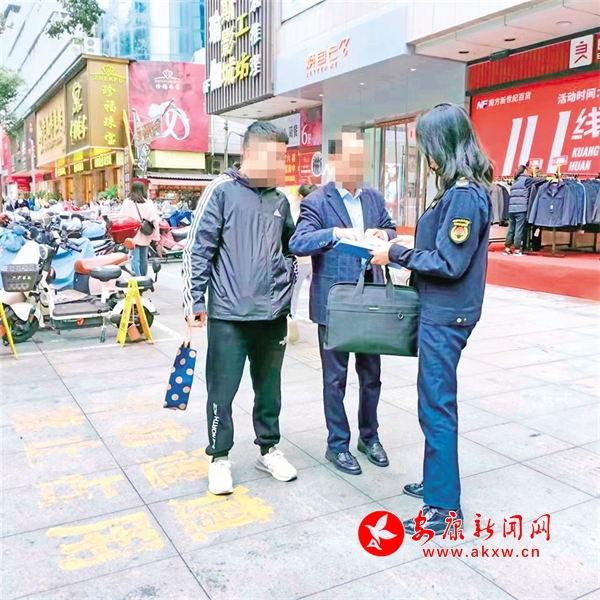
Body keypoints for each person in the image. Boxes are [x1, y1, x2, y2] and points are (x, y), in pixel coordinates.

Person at [370, 103, 493, 535]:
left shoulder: (463, 195)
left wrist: (397, 253)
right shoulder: (458, 191)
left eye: (426, 145)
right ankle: (438, 482)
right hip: (443, 311)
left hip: (447, 315)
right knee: (433, 402)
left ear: (442, 144)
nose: (425, 155)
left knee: (436, 406)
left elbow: (449, 262)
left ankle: (443, 509)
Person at [183, 121, 298, 495]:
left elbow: (290, 248)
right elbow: (198, 249)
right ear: (249, 153)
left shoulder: (280, 200)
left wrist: (287, 289)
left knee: (269, 390)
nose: (279, 165)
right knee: (222, 391)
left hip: (272, 316)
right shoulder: (221, 191)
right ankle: (219, 457)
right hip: (228, 316)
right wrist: (194, 300)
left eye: (282, 157)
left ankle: (269, 450)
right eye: (273, 157)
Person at [289, 129, 397, 476]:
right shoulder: (317, 201)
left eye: (362, 158)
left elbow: (391, 229)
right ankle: (337, 444)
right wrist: (335, 234)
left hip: (370, 299)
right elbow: (299, 242)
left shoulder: (373, 198)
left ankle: (370, 437)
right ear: (334, 161)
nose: (358, 165)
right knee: (335, 379)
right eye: (351, 158)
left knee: (371, 375)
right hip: (334, 304)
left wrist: (383, 235)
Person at [287, 183, 318, 341]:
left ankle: (291, 320)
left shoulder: (298, 214)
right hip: (314, 260)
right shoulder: (317, 212)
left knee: (293, 294)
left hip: (299, 261)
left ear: (300, 197)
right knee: (317, 292)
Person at [120, 182, 160, 276]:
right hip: (145, 234)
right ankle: (144, 278)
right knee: (143, 258)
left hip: (132, 234)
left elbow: (121, 216)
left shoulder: (127, 202)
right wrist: (156, 236)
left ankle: (137, 279)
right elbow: (154, 220)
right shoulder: (148, 203)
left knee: (134, 258)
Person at [504, 163, 544, 256]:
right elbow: (539, 180)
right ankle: (517, 249)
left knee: (511, 229)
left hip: (512, 209)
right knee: (519, 230)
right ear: (525, 171)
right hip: (521, 209)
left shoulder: (515, 181)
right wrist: (548, 178)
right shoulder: (526, 180)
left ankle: (507, 248)